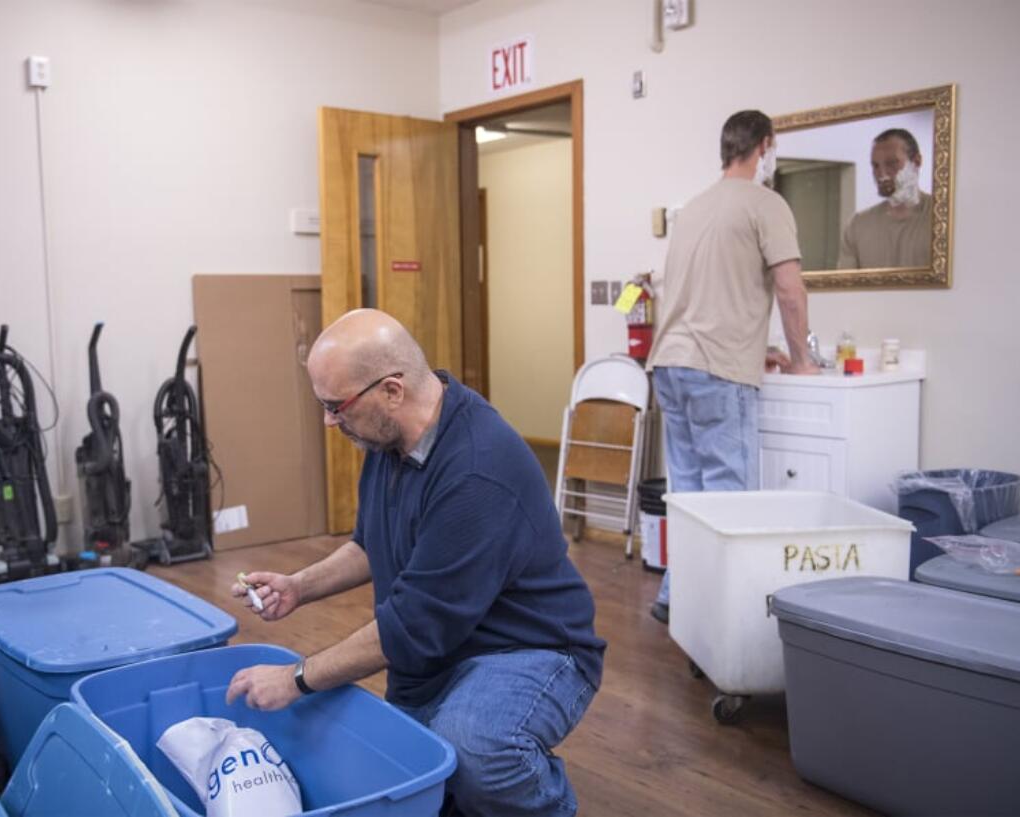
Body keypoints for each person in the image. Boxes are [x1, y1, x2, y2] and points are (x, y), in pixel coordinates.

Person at [225, 308, 605, 817]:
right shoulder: (387, 438)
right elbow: (369, 544)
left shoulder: (476, 470)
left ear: (392, 391)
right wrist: (299, 586)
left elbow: (410, 628)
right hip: (447, 645)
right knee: (409, 766)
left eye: (336, 406)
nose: (328, 420)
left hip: (531, 648)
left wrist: (295, 678)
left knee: (475, 753)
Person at [646, 109, 820, 623]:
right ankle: (727, 615)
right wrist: (803, 360)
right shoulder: (767, 204)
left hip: (671, 363)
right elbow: (790, 289)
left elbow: (705, 290)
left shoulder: (694, 208)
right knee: (730, 497)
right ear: (765, 146)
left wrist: (755, 346)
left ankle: (676, 595)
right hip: (716, 370)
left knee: (691, 495)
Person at [837, 128, 932, 269]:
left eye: (892, 163)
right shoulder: (858, 225)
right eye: (875, 166)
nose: (882, 173)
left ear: (916, 162)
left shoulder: (942, 217)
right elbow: (846, 287)